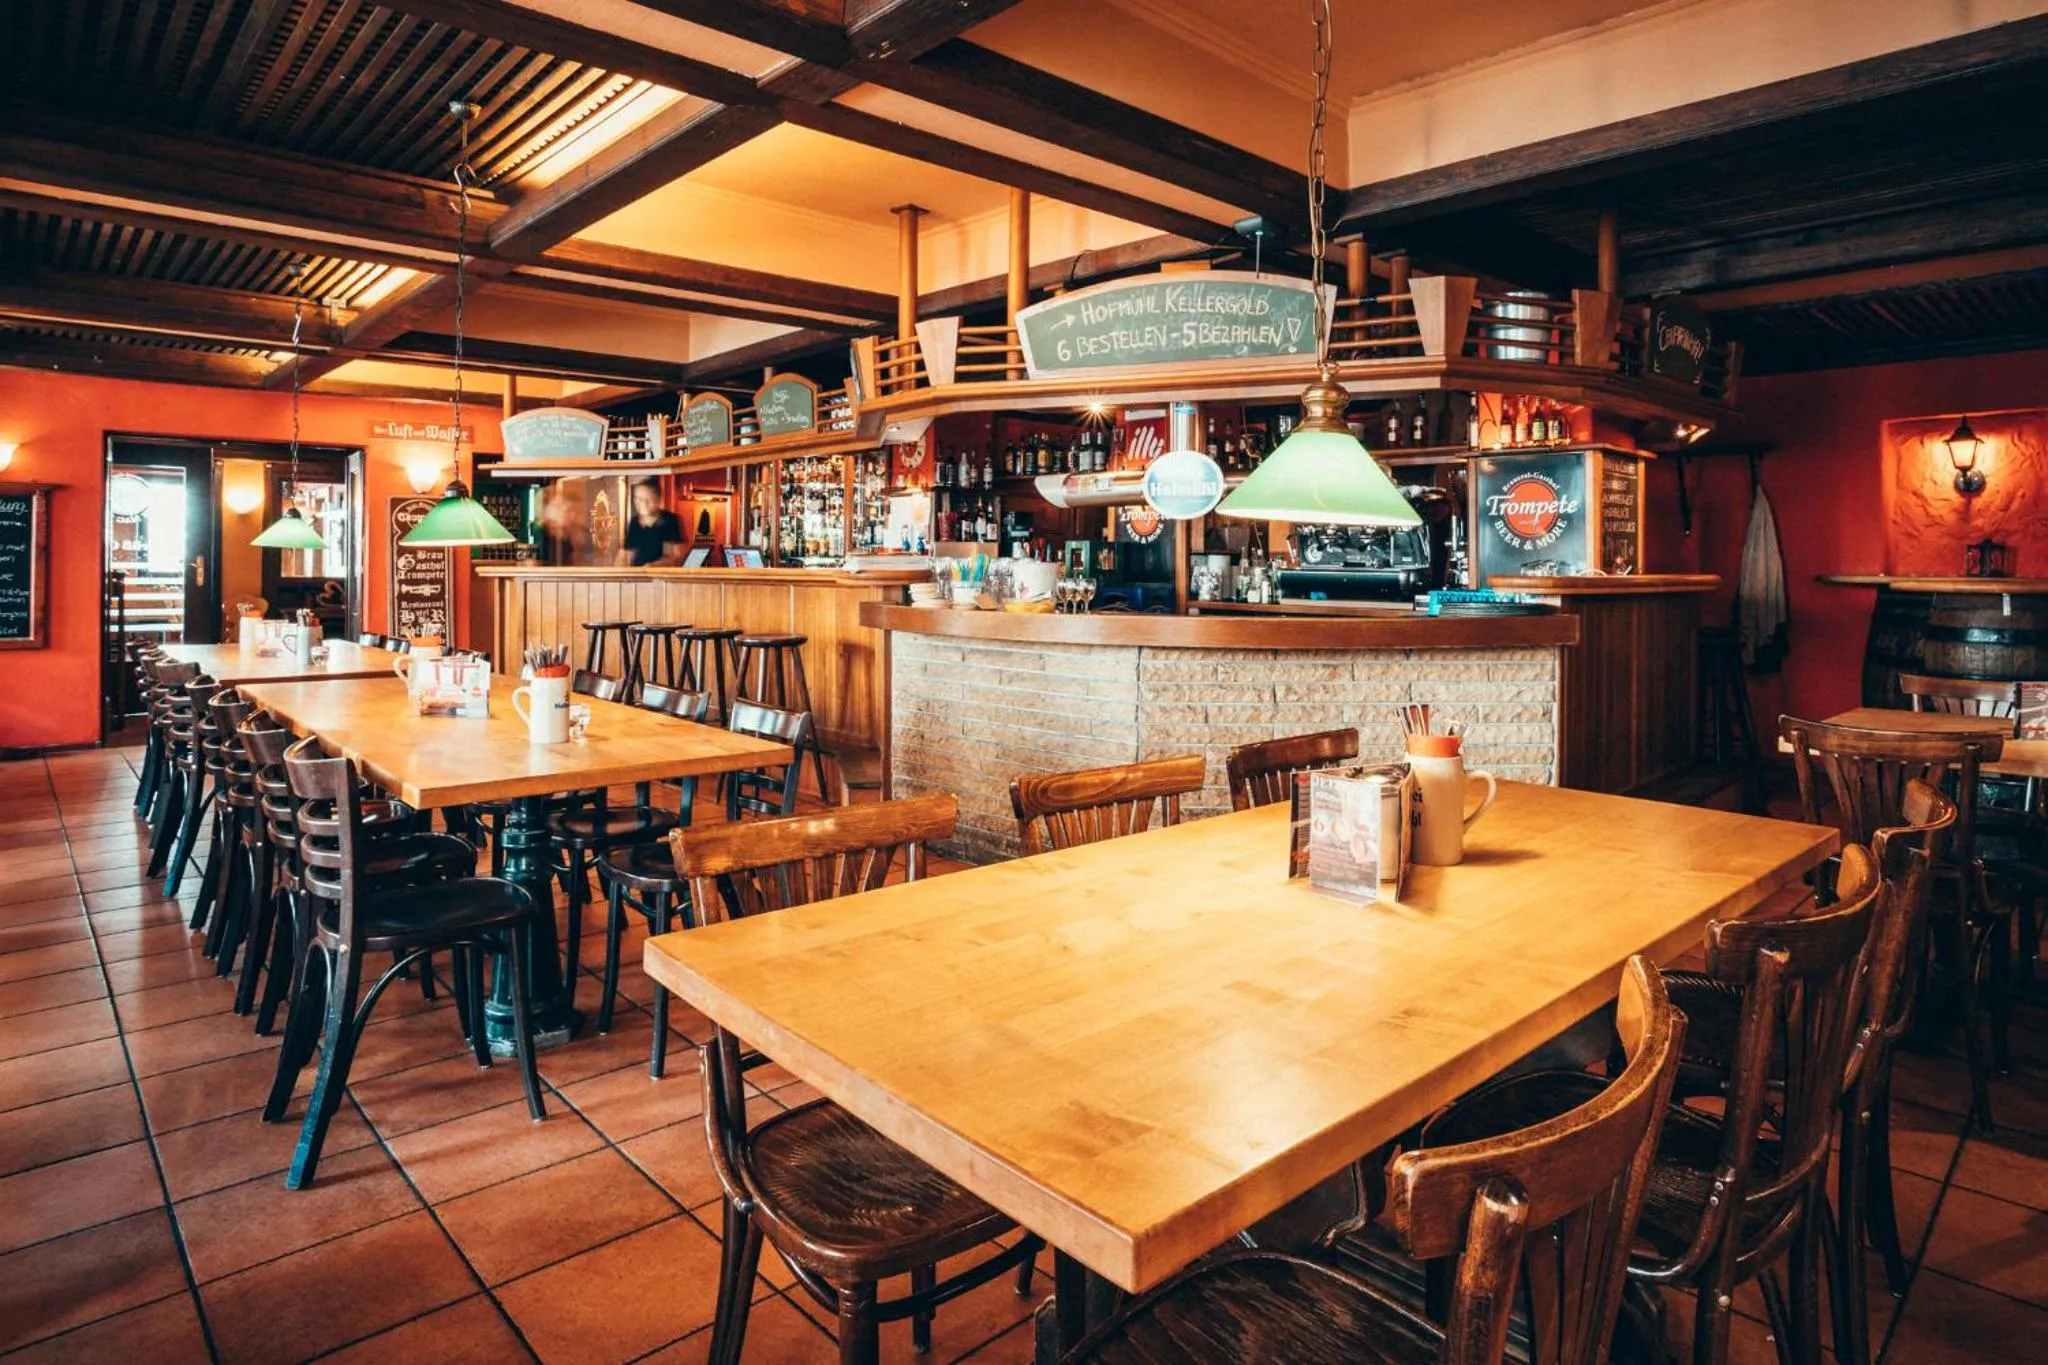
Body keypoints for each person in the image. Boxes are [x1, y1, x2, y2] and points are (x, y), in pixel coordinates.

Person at [617, 479, 684, 567]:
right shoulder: (634, 522)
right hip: (637, 576)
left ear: (658, 500)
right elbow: (626, 554)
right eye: (638, 499)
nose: (642, 503)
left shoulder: (669, 520)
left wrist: (651, 567)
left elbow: (675, 557)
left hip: (660, 576)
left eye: (648, 499)